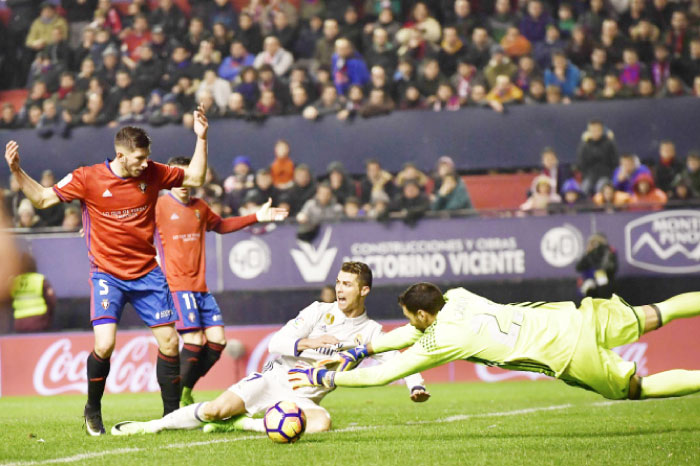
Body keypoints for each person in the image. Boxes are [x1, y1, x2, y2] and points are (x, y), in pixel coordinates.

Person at [4, 106, 209, 436]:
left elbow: (197, 177)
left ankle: (172, 416)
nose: (145, 163)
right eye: (139, 158)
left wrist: (202, 137)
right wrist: (16, 170)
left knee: (170, 342)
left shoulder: (154, 173)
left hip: (147, 273)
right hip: (107, 275)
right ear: (121, 155)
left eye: (147, 157)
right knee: (105, 345)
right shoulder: (87, 178)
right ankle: (92, 410)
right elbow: (42, 199)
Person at [110, 262, 429, 436]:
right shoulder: (319, 310)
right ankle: (152, 426)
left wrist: (416, 385)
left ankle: (245, 423)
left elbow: (398, 358)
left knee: (321, 425)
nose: (340, 288)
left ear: (364, 290)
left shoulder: (370, 332)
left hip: (305, 397)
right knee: (213, 411)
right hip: (275, 377)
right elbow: (277, 342)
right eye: (338, 282)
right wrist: (308, 342)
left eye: (347, 284)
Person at [291, 283, 700, 405]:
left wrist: (325, 377)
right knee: (657, 311)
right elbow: (410, 333)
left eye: (410, 315)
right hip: (572, 317)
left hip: (569, 354)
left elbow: (384, 378)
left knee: (637, 388)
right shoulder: (459, 295)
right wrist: (366, 347)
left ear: (421, 315)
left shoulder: (442, 341)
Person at [155, 157, 288, 407]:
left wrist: (256, 216)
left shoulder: (199, 207)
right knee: (193, 341)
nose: (183, 182)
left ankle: (184, 390)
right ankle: (172, 401)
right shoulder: (158, 206)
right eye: (177, 176)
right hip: (177, 286)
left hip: (201, 288)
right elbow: (129, 223)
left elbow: (222, 225)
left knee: (217, 342)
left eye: (187, 176)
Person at [10, 252, 56, 333]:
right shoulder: (40, 280)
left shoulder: (14, 282)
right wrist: (49, 317)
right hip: (38, 321)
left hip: (19, 322)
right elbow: (51, 301)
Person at [575, 233, 618, 298]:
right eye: (592, 243)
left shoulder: (607, 251)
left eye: (595, 243)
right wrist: (588, 254)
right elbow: (579, 267)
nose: (593, 245)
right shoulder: (589, 254)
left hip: (605, 280)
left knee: (601, 280)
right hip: (590, 281)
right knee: (587, 288)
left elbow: (606, 267)